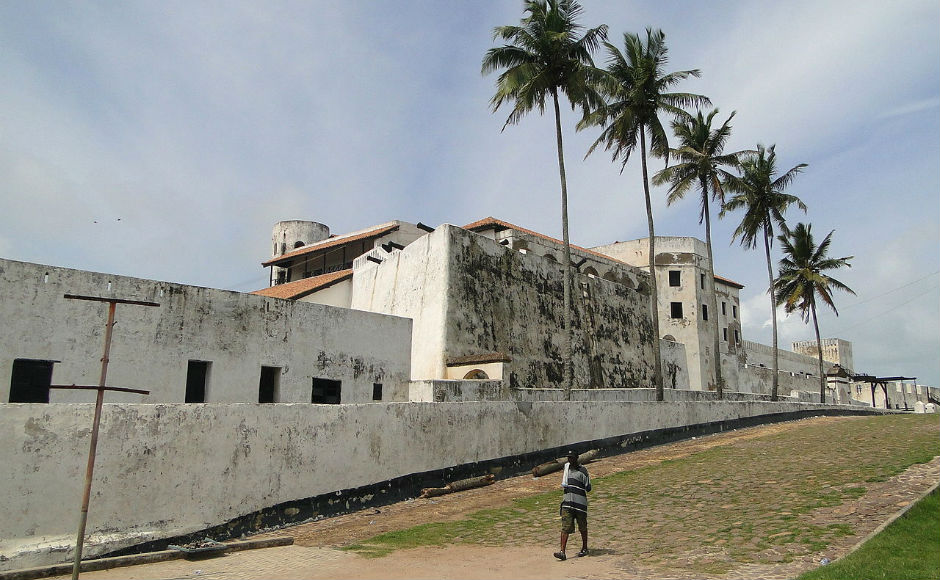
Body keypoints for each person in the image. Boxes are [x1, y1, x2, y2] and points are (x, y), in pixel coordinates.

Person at [554, 450, 591, 561]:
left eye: (572, 458)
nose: (570, 460)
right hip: (567, 504)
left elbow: (588, 487)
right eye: (568, 458)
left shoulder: (583, 471)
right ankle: (562, 551)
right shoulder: (566, 470)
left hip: (580, 505)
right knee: (565, 527)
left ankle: (584, 548)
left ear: (576, 458)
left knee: (582, 526)